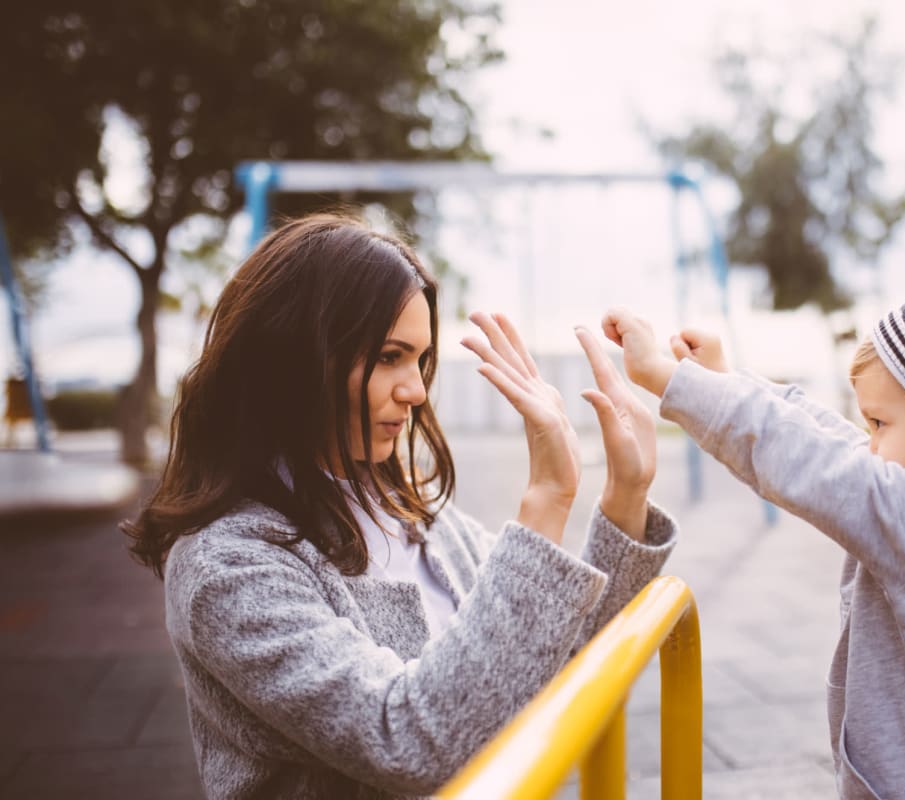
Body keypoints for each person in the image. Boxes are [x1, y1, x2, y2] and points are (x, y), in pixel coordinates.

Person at [121, 213, 676, 799]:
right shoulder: (226, 567)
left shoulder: (415, 517)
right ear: (294, 356)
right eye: (389, 356)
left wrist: (626, 495)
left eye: (419, 360)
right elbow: (408, 741)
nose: (414, 390)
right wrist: (546, 501)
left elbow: (551, 653)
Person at [600, 245, 905, 799]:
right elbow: (834, 440)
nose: (871, 441)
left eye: (881, 422)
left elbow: (815, 461)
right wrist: (725, 379)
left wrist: (671, 382)